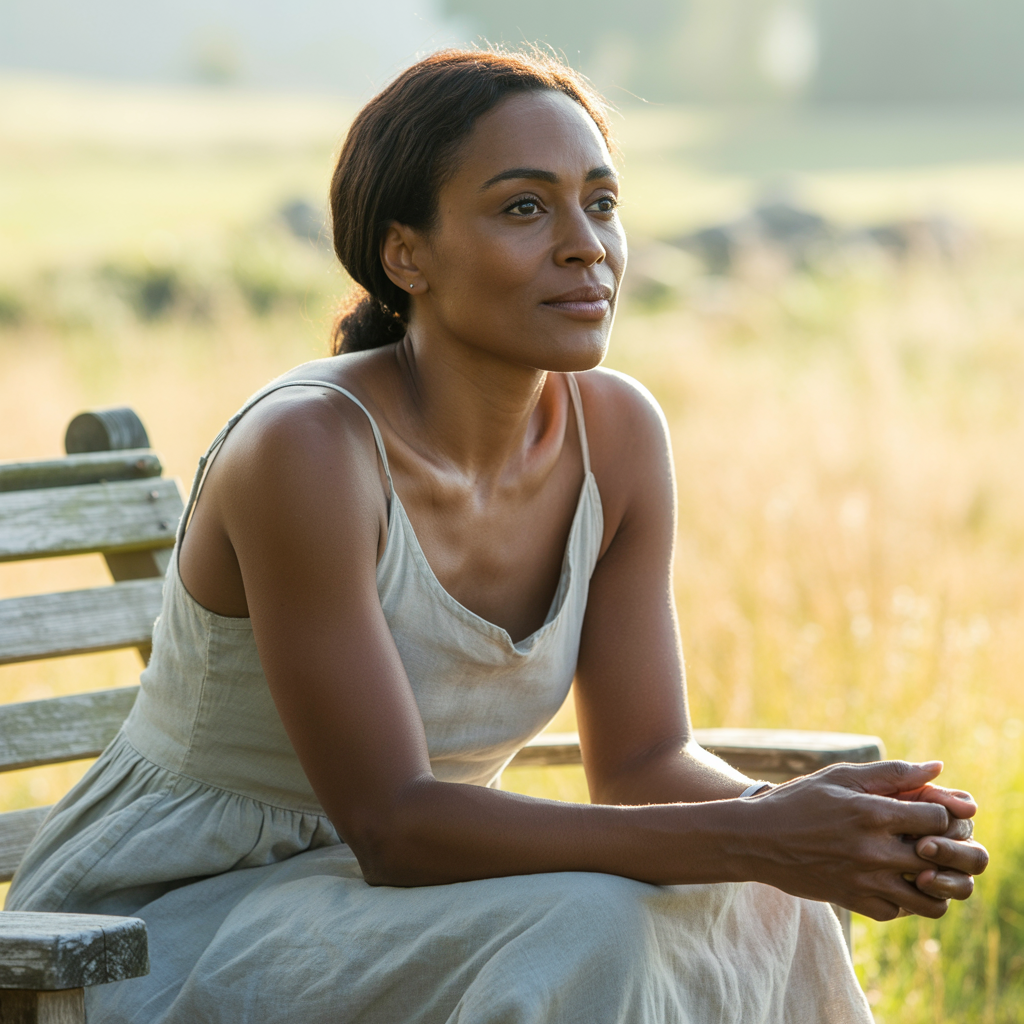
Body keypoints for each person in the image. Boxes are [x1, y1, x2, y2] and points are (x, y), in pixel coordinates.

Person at [8, 48, 988, 1024]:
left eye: (601, 204)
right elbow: (394, 824)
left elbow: (643, 762)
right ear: (407, 255)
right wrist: (757, 834)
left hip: (404, 900)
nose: (585, 246)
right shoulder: (308, 448)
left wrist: (819, 827)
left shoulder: (617, 433)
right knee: (600, 922)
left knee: (771, 897)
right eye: (525, 207)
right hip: (166, 923)